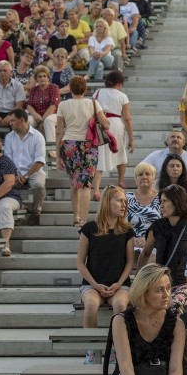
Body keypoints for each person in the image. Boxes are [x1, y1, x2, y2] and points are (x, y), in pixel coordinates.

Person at [77, 186, 135, 362]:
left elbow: (130, 262)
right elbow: (80, 263)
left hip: (120, 284)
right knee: (91, 305)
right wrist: (95, 285)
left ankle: (116, 350)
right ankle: (92, 351)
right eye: (119, 200)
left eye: (125, 201)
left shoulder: (126, 230)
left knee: (120, 306)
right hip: (93, 284)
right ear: (107, 202)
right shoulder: (89, 228)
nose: (124, 204)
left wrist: (118, 283)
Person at [137, 184, 187, 315]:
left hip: (185, 284)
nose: (161, 206)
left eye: (165, 201)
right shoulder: (157, 227)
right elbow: (145, 254)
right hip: (160, 283)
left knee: (172, 307)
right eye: (160, 202)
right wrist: (139, 280)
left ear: (177, 202)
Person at [56, 76, 109, 227]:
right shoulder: (92, 103)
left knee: (74, 183)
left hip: (69, 145)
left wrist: (58, 155)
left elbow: (59, 131)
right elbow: (106, 124)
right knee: (86, 185)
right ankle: (84, 220)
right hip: (88, 145)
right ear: (85, 89)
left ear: (70, 89)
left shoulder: (63, 105)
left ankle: (76, 216)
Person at [93, 70, 133, 199]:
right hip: (116, 124)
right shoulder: (122, 96)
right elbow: (127, 118)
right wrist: (131, 138)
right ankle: (120, 181)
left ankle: (97, 190)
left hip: (100, 124)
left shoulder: (97, 93)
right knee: (120, 152)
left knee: (100, 155)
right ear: (119, 84)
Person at [3, 109, 45, 226]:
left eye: (12, 120)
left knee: (39, 186)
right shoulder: (9, 137)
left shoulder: (38, 136)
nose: (10, 123)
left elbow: (39, 162)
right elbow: (8, 160)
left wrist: (26, 176)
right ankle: (19, 209)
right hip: (14, 172)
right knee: (5, 184)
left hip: (34, 171)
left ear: (21, 120)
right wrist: (15, 174)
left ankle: (36, 211)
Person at [126, 162, 160, 252]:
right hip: (129, 242)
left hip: (156, 244)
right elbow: (119, 223)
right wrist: (130, 239)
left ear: (154, 178)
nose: (144, 177)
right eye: (140, 174)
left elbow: (166, 225)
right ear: (136, 179)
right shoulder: (126, 198)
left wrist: (150, 241)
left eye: (148, 174)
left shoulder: (162, 198)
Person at [0, 61, 26, 128]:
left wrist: (10, 117)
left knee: (18, 122)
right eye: (0, 71)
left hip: (12, 113)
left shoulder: (18, 85)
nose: (2, 73)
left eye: (5, 70)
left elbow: (19, 105)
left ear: (11, 72)